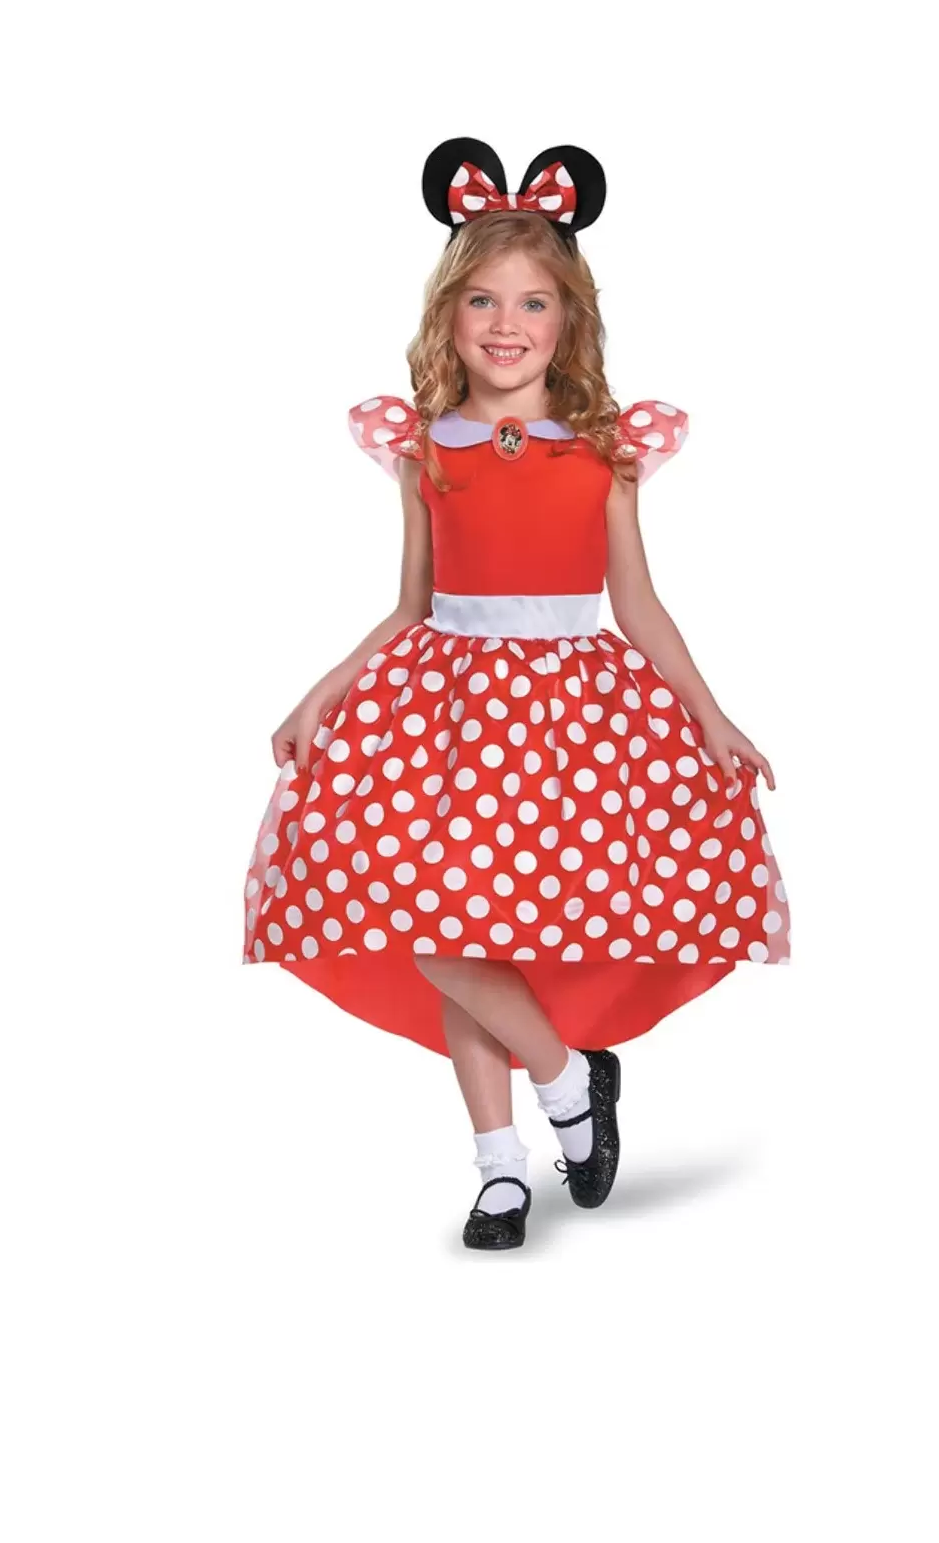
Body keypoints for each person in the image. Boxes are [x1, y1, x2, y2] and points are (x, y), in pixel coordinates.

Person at [242, 136, 791, 1251]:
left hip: (569, 723)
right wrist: (322, 692)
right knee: (434, 925)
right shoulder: (427, 448)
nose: (507, 323)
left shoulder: (604, 452)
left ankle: (541, 1126)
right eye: (483, 300)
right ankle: (536, 1125)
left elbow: (637, 604)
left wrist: (711, 713)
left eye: (534, 302)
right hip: (444, 710)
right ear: (447, 315)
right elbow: (411, 603)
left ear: (568, 321)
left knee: (475, 932)